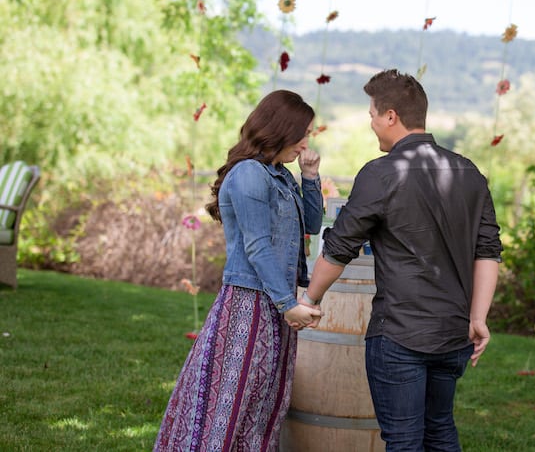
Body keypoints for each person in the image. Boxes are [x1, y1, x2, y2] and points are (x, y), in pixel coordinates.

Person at [302, 69, 503, 451]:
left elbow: (340, 245)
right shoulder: (468, 172)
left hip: (399, 336)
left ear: (391, 116)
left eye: (373, 116)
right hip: (454, 333)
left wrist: (310, 299)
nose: (373, 125)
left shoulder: (382, 173)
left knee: (404, 441)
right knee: (441, 431)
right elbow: (487, 251)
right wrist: (478, 318)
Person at [154, 90, 324, 452]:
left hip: (274, 301)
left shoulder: (280, 175)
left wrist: (310, 177)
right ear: (281, 129)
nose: (305, 143)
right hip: (249, 304)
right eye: (302, 133)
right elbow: (258, 246)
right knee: (231, 401)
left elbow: (310, 223)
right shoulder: (249, 175)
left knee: (263, 402)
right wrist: (287, 303)